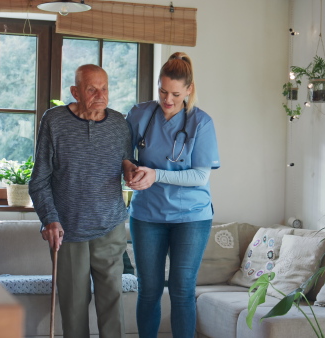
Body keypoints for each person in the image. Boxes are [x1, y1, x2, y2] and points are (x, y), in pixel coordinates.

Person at [29, 64, 134, 338]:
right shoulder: (54, 121)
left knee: (112, 305)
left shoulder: (120, 124)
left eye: (104, 88)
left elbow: (127, 166)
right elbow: (39, 180)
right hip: (69, 230)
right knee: (74, 309)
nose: (100, 95)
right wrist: (50, 219)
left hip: (110, 226)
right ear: (75, 92)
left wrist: (133, 173)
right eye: (91, 89)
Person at [124, 52, 221, 338]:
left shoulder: (201, 123)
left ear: (189, 90)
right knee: (149, 289)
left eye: (176, 94)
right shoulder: (140, 114)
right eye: (163, 91)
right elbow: (124, 154)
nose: (168, 99)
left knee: (181, 290)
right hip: (146, 215)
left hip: (191, 216)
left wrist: (155, 174)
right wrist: (129, 167)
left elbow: (200, 176)